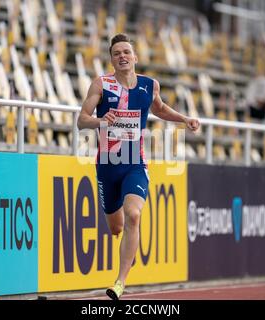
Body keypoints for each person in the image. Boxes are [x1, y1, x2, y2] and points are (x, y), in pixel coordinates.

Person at [77, 33, 199, 300]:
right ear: (111, 59)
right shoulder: (101, 84)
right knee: (116, 228)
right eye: (117, 53)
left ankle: (120, 282)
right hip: (108, 165)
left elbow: (160, 109)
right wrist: (101, 122)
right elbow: (82, 121)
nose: (122, 56)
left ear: (134, 57)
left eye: (126, 52)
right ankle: (126, 255)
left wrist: (184, 119)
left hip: (135, 163)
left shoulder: (149, 85)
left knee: (134, 215)